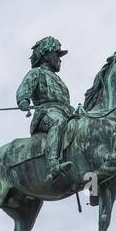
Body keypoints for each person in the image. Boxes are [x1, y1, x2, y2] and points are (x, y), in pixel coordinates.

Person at [16, 36, 76, 184]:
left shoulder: (59, 80)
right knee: (58, 122)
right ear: (47, 56)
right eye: (57, 55)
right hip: (46, 114)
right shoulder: (36, 73)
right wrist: (23, 100)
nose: (60, 60)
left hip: (66, 112)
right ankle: (52, 164)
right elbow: (23, 90)